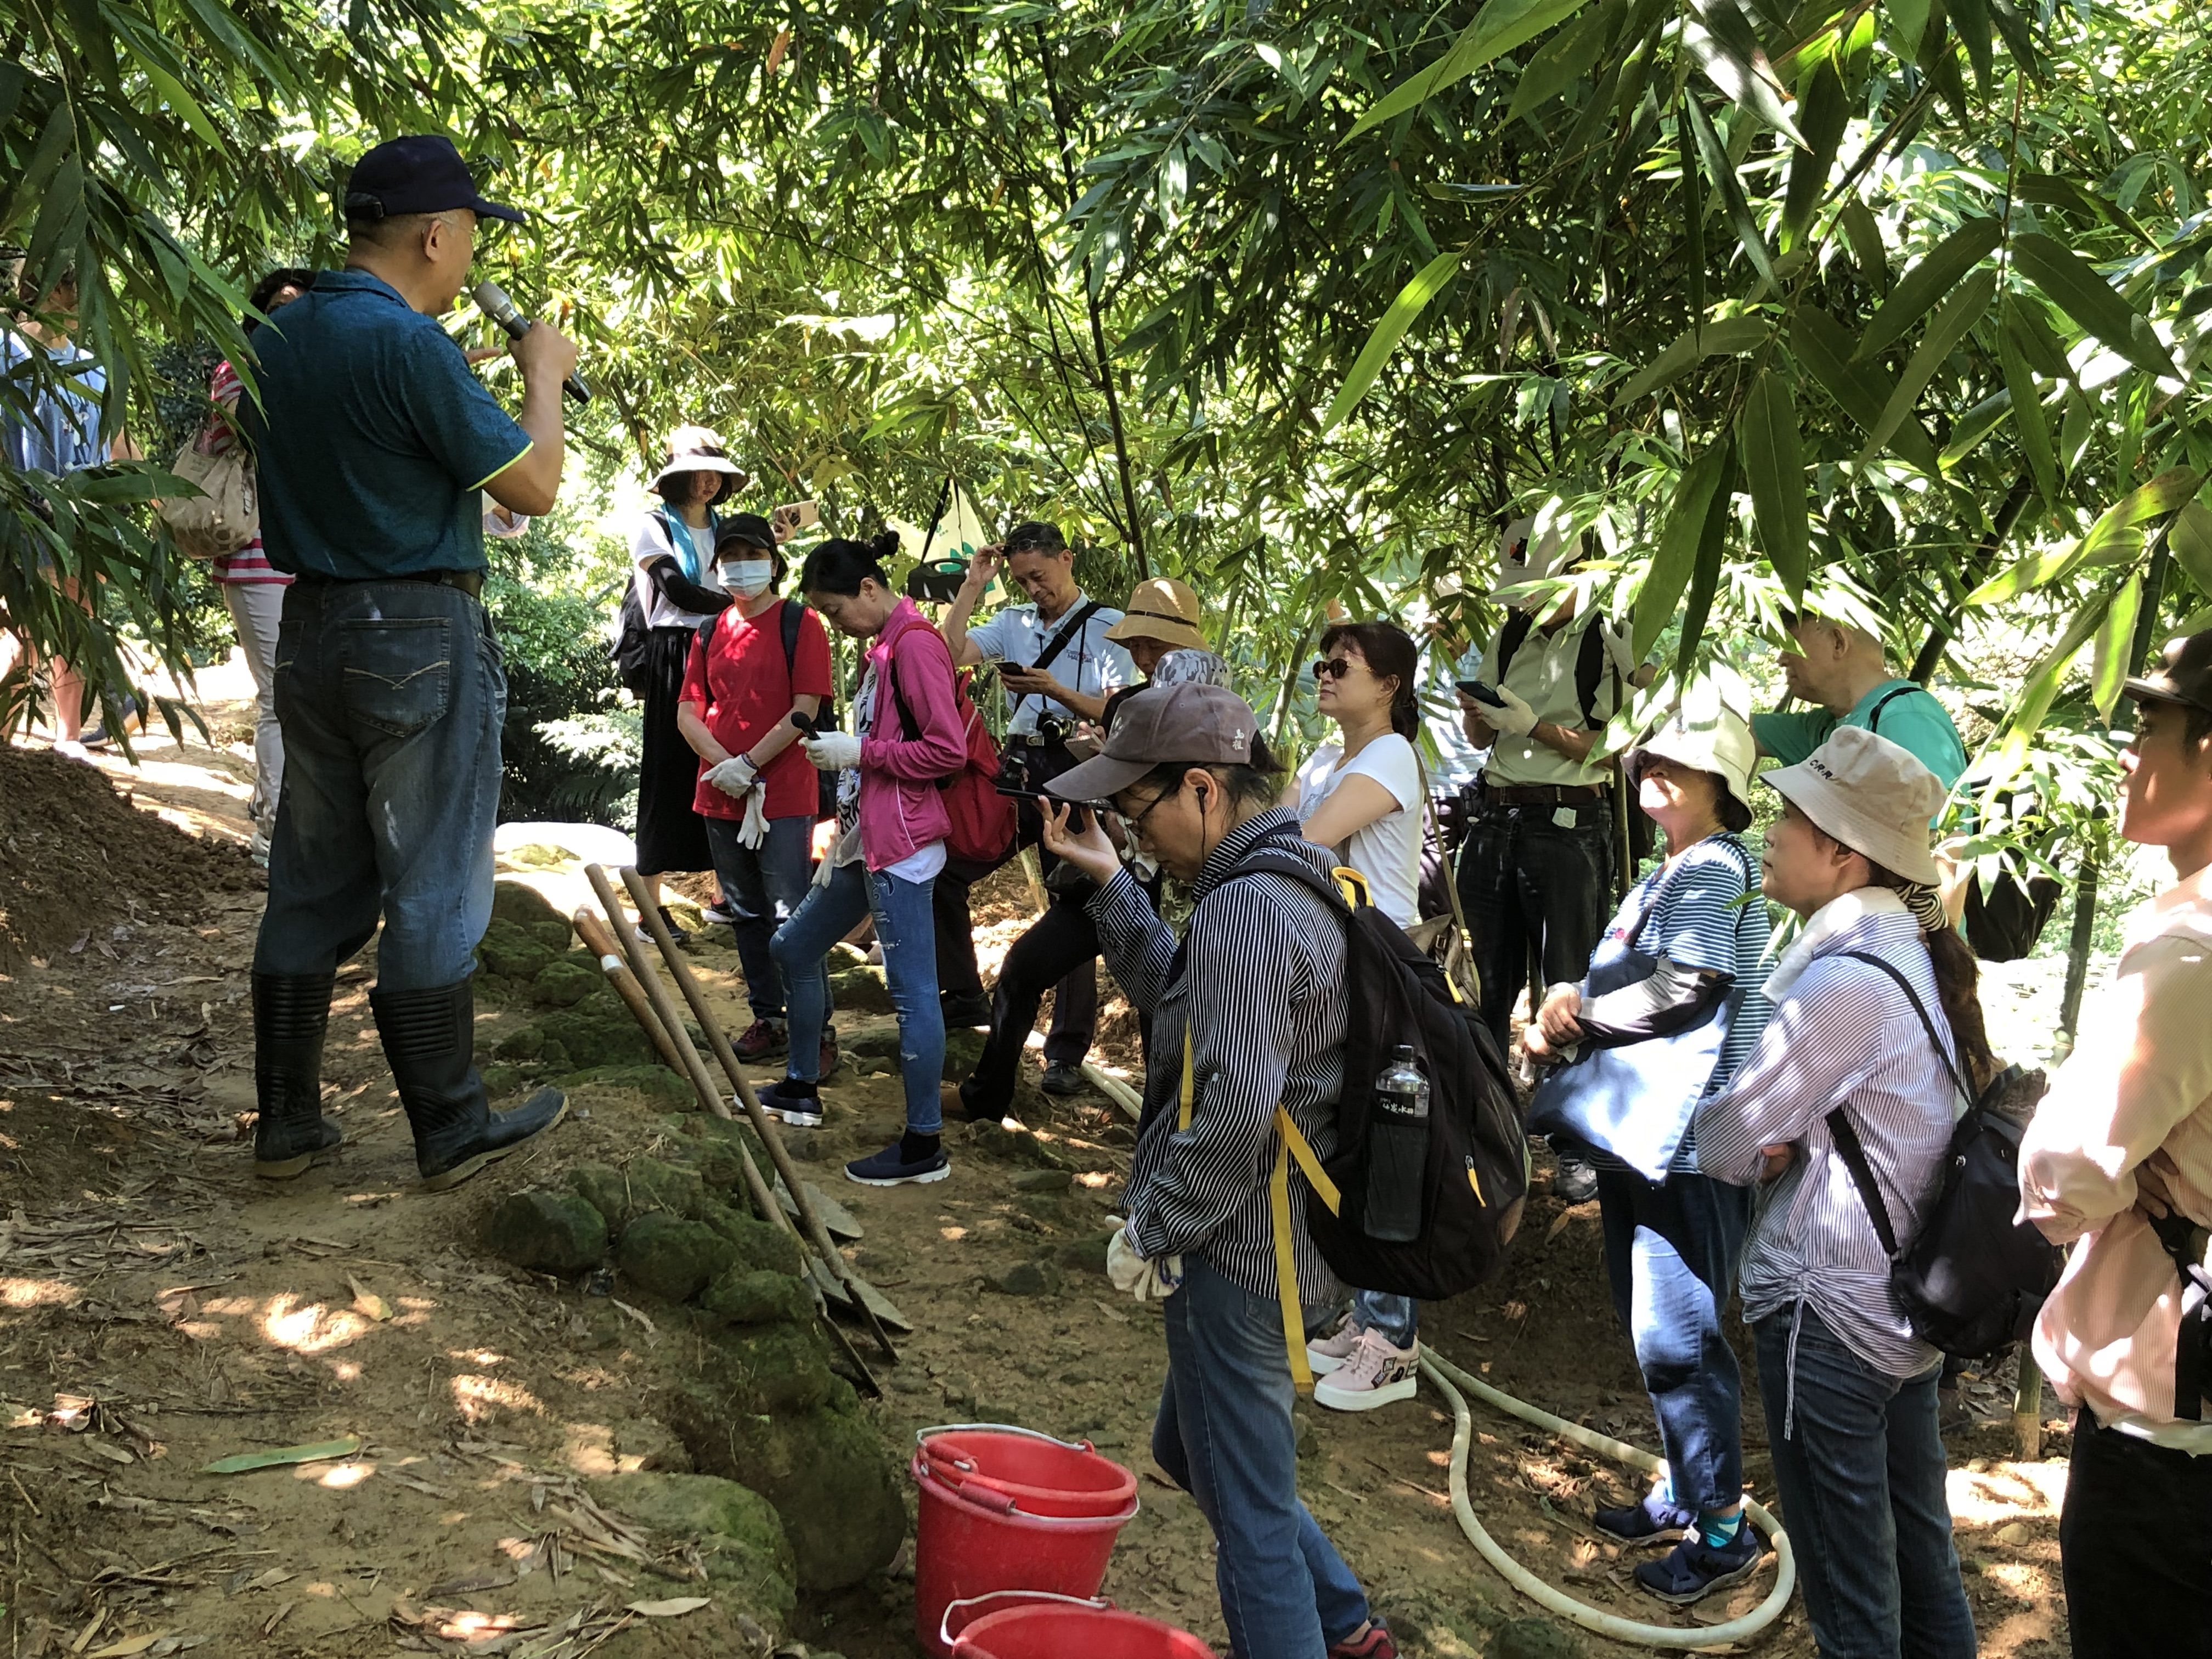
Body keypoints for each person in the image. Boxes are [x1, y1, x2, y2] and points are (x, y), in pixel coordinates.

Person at [241, 135, 577, 1189]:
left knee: (311, 875)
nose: (471, 257)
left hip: (313, 629)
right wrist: (542, 378)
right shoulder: (410, 346)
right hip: (418, 627)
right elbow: (533, 489)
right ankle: (449, 1122)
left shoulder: (273, 334)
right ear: (437, 234)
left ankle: (288, 1122)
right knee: (432, 875)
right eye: (471, 235)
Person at [1039, 683, 1396, 1659]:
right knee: (1187, 1448)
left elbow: (1233, 1109)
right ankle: (1345, 1625)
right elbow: (1190, 1020)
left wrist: (1153, 1226)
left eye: (1136, 810)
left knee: (1247, 1514)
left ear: (1201, 788)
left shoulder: (1246, 908)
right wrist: (1113, 883)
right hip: (1279, 1236)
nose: (1134, 830)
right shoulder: (1296, 877)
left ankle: (1305, 1632)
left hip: (1240, 1252)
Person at [1694, 726, 1985, 1659]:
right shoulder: (1914, 958)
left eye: (1790, 814)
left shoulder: (1845, 981)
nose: (1771, 830)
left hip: (1831, 1314)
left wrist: (1771, 1141)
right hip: (1901, 1315)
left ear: (1843, 852)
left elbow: (1726, 1139)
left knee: (1849, 1590)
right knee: (1919, 1556)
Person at [1523, 698, 1774, 1601]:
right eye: (1650, 755)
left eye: (1683, 758)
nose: (1657, 767)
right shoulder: (1671, 869)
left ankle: (1720, 1530)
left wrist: (1578, 1013)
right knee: (1655, 1321)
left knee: (1678, 1333)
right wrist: (1568, 1001)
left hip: (1687, 1139)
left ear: (1723, 785)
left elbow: (1692, 986)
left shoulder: (1709, 866)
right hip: (1649, 1134)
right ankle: (1683, 1489)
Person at [2018, 628, 2212, 1659]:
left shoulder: (2190, 948)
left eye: (2149, 726)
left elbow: (2065, 1169)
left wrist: (2121, 1182)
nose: (2129, 755)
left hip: (2167, 1437)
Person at [949, 575, 1205, 1124]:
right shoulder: (1135, 702)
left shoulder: (1215, 715)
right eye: (1136, 645)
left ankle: (1164, 1150)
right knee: (1024, 967)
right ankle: (989, 1092)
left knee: (1164, 1011)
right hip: (1115, 874)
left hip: (1173, 887)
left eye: (1154, 646)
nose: (1142, 656)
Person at [765, 533, 968, 1187]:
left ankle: (923, 1143)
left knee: (912, 996)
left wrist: (861, 755)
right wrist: (852, 753)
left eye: (835, 610)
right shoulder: (883, 647)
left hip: (903, 846)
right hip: (867, 839)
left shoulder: (915, 645)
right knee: (794, 948)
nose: (835, 624)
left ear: (871, 590)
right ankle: (800, 1084)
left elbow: (947, 751)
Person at [1458, 536, 1640, 1204]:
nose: (1529, 599)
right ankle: (1480, 1127)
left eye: (1540, 585)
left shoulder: (1605, 637)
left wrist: (1535, 726)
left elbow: (1618, 745)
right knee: (1484, 981)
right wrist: (1481, 714)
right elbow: (1481, 739)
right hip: (1496, 817)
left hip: (1568, 822)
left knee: (1565, 984)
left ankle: (1571, 1141)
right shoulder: (1509, 636)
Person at [1289, 621, 1427, 1413]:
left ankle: (1392, 1341)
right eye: (1322, 663)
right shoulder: (1325, 756)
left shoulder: (1391, 755)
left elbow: (1306, 840)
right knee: (1347, 1137)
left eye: (1342, 666)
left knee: (1387, 1148)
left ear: (1389, 686)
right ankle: (1361, 1314)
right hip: (1336, 960)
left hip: (1382, 964)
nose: (1327, 675)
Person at [935, 520, 1137, 1066]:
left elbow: (1122, 712)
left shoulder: (1109, 625)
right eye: (1022, 581)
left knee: (1070, 907)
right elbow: (948, 653)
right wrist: (974, 585)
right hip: (1021, 767)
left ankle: (1066, 1054)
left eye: (1040, 577)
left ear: (1067, 560)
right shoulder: (1014, 621)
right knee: (946, 870)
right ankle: (963, 996)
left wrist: (1057, 693)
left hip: (1079, 770)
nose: (1034, 590)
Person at [676, 514, 836, 1075]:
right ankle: (768, 1017)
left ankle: (816, 1031)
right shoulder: (708, 631)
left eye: (752, 554)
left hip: (785, 793)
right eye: (730, 556)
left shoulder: (801, 622)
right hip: (720, 795)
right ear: (717, 568)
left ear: (773, 561)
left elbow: (806, 708)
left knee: (794, 913)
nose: (741, 566)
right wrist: (727, 768)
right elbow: (688, 712)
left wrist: (751, 764)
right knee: (745, 914)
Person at [202, 268, 314, 860]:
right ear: (260, 315)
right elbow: (268, 429)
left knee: (296, 694)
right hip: (256, 561)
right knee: (279, 698)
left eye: (303, 302)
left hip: (297, 560)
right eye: (280, 303)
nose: (292, 311)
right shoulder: (236, 375)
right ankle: (273, 829)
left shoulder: (304, 374)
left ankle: (281, 816)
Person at [627, 425, 742, 939]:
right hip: (675, 650)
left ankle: (728, 894)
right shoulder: (651, 525)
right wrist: (745, 600)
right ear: (675, 479)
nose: (707, 483)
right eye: (697, 473)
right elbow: (676, 590)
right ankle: (649, 910)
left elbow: (766, 572)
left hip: (727, 646)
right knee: (669, 768)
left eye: (715, 474)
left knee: (728, 758)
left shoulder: (729, 528)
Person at [3, 258, 115, 760]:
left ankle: (67, 738)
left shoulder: (89, 365)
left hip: (78, 520)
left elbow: (110, 450)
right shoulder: (6, 355)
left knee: (71, 623)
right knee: (24, 627)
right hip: (21, 514)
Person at [1753, 610, 1967, 789]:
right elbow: (1733, 727)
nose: (1781, 660)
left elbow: (1941, 836)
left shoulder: (1905, 719)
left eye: (1791, 644)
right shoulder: (1824, 727)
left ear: (1838, 643)